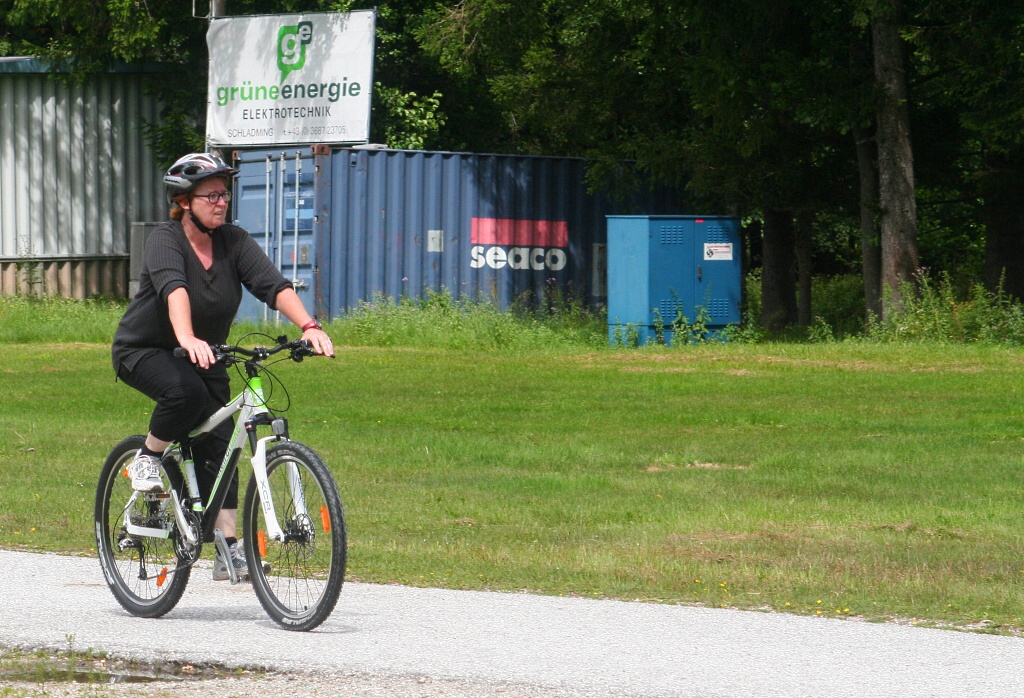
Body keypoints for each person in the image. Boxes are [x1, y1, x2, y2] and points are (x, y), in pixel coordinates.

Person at [112, 152, 334, 581]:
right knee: (186, 393)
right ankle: (147, 457)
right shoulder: (166, 239)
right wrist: (187, 337)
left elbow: (273, 284)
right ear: (184, 201)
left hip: (204, 352)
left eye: (224, 194)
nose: (221, 201)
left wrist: (308, 325)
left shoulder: (233, 241)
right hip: (146, 349)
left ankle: (227, 548)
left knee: (224, 439)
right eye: (211, 194)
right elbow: (174, 290)